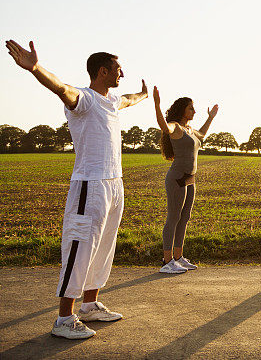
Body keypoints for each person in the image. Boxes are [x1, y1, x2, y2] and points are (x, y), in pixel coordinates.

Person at [5, 40, 148, 340]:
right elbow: (61, 88)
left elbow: (129, 99)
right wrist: (34, 68)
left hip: (114, 184)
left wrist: (144, 95)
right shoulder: (84, 99)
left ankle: (90, 305)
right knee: (80, 248)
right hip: (89, 185)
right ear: (102, 71)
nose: (122, 74)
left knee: (103, 248)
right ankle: (63, 318)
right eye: (118, 70)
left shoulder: (111, 101)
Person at [153, 86, 218, 274]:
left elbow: (202, 135)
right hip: (176, 178)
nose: (194, 111)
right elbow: (164, 127)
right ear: (183, 110)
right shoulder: (176, 127)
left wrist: (211, 117)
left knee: (185, 218)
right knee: (173, 218)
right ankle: (167, 262)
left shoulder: (190, 130)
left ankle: (178, 257)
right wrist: (157, 105)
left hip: (190, 179)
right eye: (191, 108)